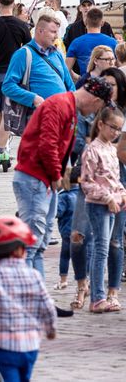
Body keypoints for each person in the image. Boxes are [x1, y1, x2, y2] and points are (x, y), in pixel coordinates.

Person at [14, 76, 112, 279]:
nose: (95, 114)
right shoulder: (59, 105)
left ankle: (39, 300)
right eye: (99, 108)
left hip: (43, 179)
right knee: (32, 244)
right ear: (96, 101)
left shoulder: (69, 108)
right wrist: (56, 176)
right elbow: (47, 145)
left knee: (39, 245)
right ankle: (24, 297)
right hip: (35, 178)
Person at [0, 216, 58, 382]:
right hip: (31, 345)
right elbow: (47, 305)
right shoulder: (34, 275)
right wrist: (51, 329)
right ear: (21, 250)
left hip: (4, 346)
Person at [78, 106, 126, 313]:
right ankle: (97, 297)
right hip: (98, 205)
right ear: (100, 125)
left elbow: (114, 180)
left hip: (114, 203)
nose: (116, 132)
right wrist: (108, 198)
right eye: (112, 127)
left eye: (119, 129)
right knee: (101, 249)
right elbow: (87, 182)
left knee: (110, 246)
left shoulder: (110, 149)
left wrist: (122, 194)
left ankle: (105, 295)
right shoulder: (93, 149)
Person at [2, 13, 75, 138]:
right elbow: (8, 86)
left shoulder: (56, 53)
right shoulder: (23, 54)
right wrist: (33, 98)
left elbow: (69, 83)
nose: (56, 36)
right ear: (40, 31)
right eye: (53, 32)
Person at [0, 0, 34, 161]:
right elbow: (29, 49)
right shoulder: (21, 26)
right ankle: (3, 149)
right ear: (13, 5)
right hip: (13, 74)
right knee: (7, 113)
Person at [66, 7, 117, 77]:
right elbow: (120, 67)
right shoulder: (113, 42)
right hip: (109, 83)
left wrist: (79, 78)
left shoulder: (76, 43)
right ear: (102, 23)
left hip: (86, 84)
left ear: (86, 22)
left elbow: (66, 69)